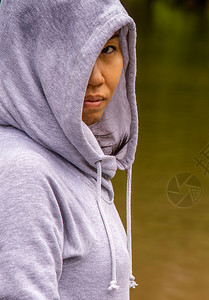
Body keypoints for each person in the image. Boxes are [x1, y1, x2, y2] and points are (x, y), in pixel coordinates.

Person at [0, 0, 138, 298]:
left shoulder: (82, 162)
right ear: (27, 56)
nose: (97, 77)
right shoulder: (24, 173)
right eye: (75, 53)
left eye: (108, 49)